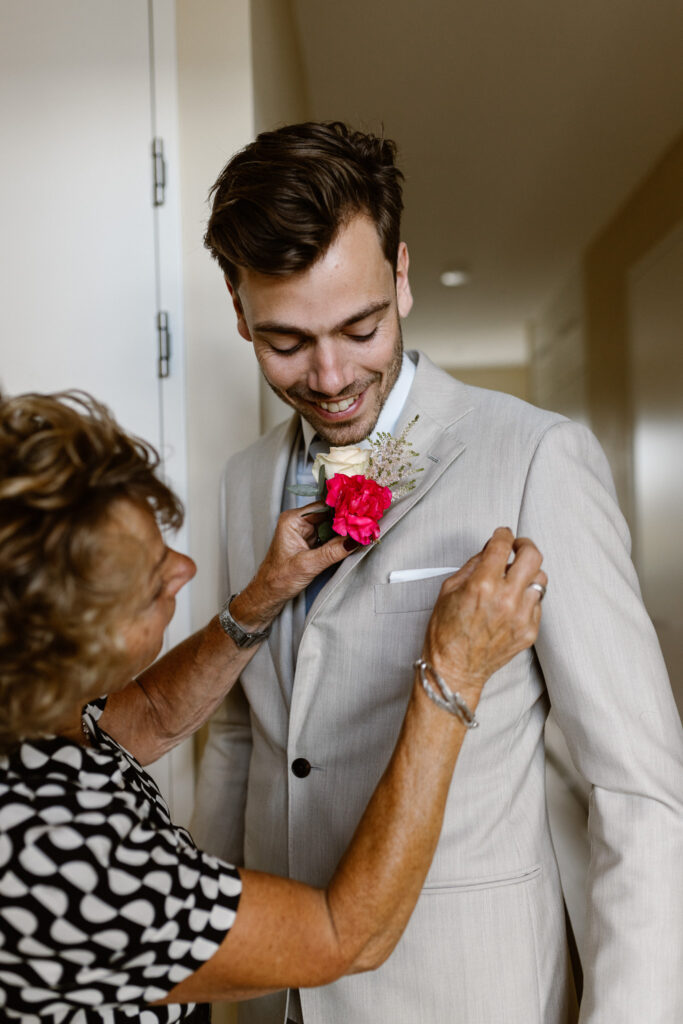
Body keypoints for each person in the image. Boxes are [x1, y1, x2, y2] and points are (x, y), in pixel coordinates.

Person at [191, 121, 683, 1024]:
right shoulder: (239, 483)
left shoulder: (537, 458)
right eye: (286, 342)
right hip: (275, 993)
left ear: (402, 277)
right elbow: (238, 740)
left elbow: (636, 790)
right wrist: (210, 978)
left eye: (360, 326)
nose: (331, 375)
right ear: (237, 309)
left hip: (465, 992)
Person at [0, 389, 545, 1023]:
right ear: (63, 641)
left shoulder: (35, 720)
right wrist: (452, 674)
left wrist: (261, 598)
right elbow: (346, 935)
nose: (185, 568)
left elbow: (143, 715)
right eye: (154, 582)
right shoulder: (55, 855)